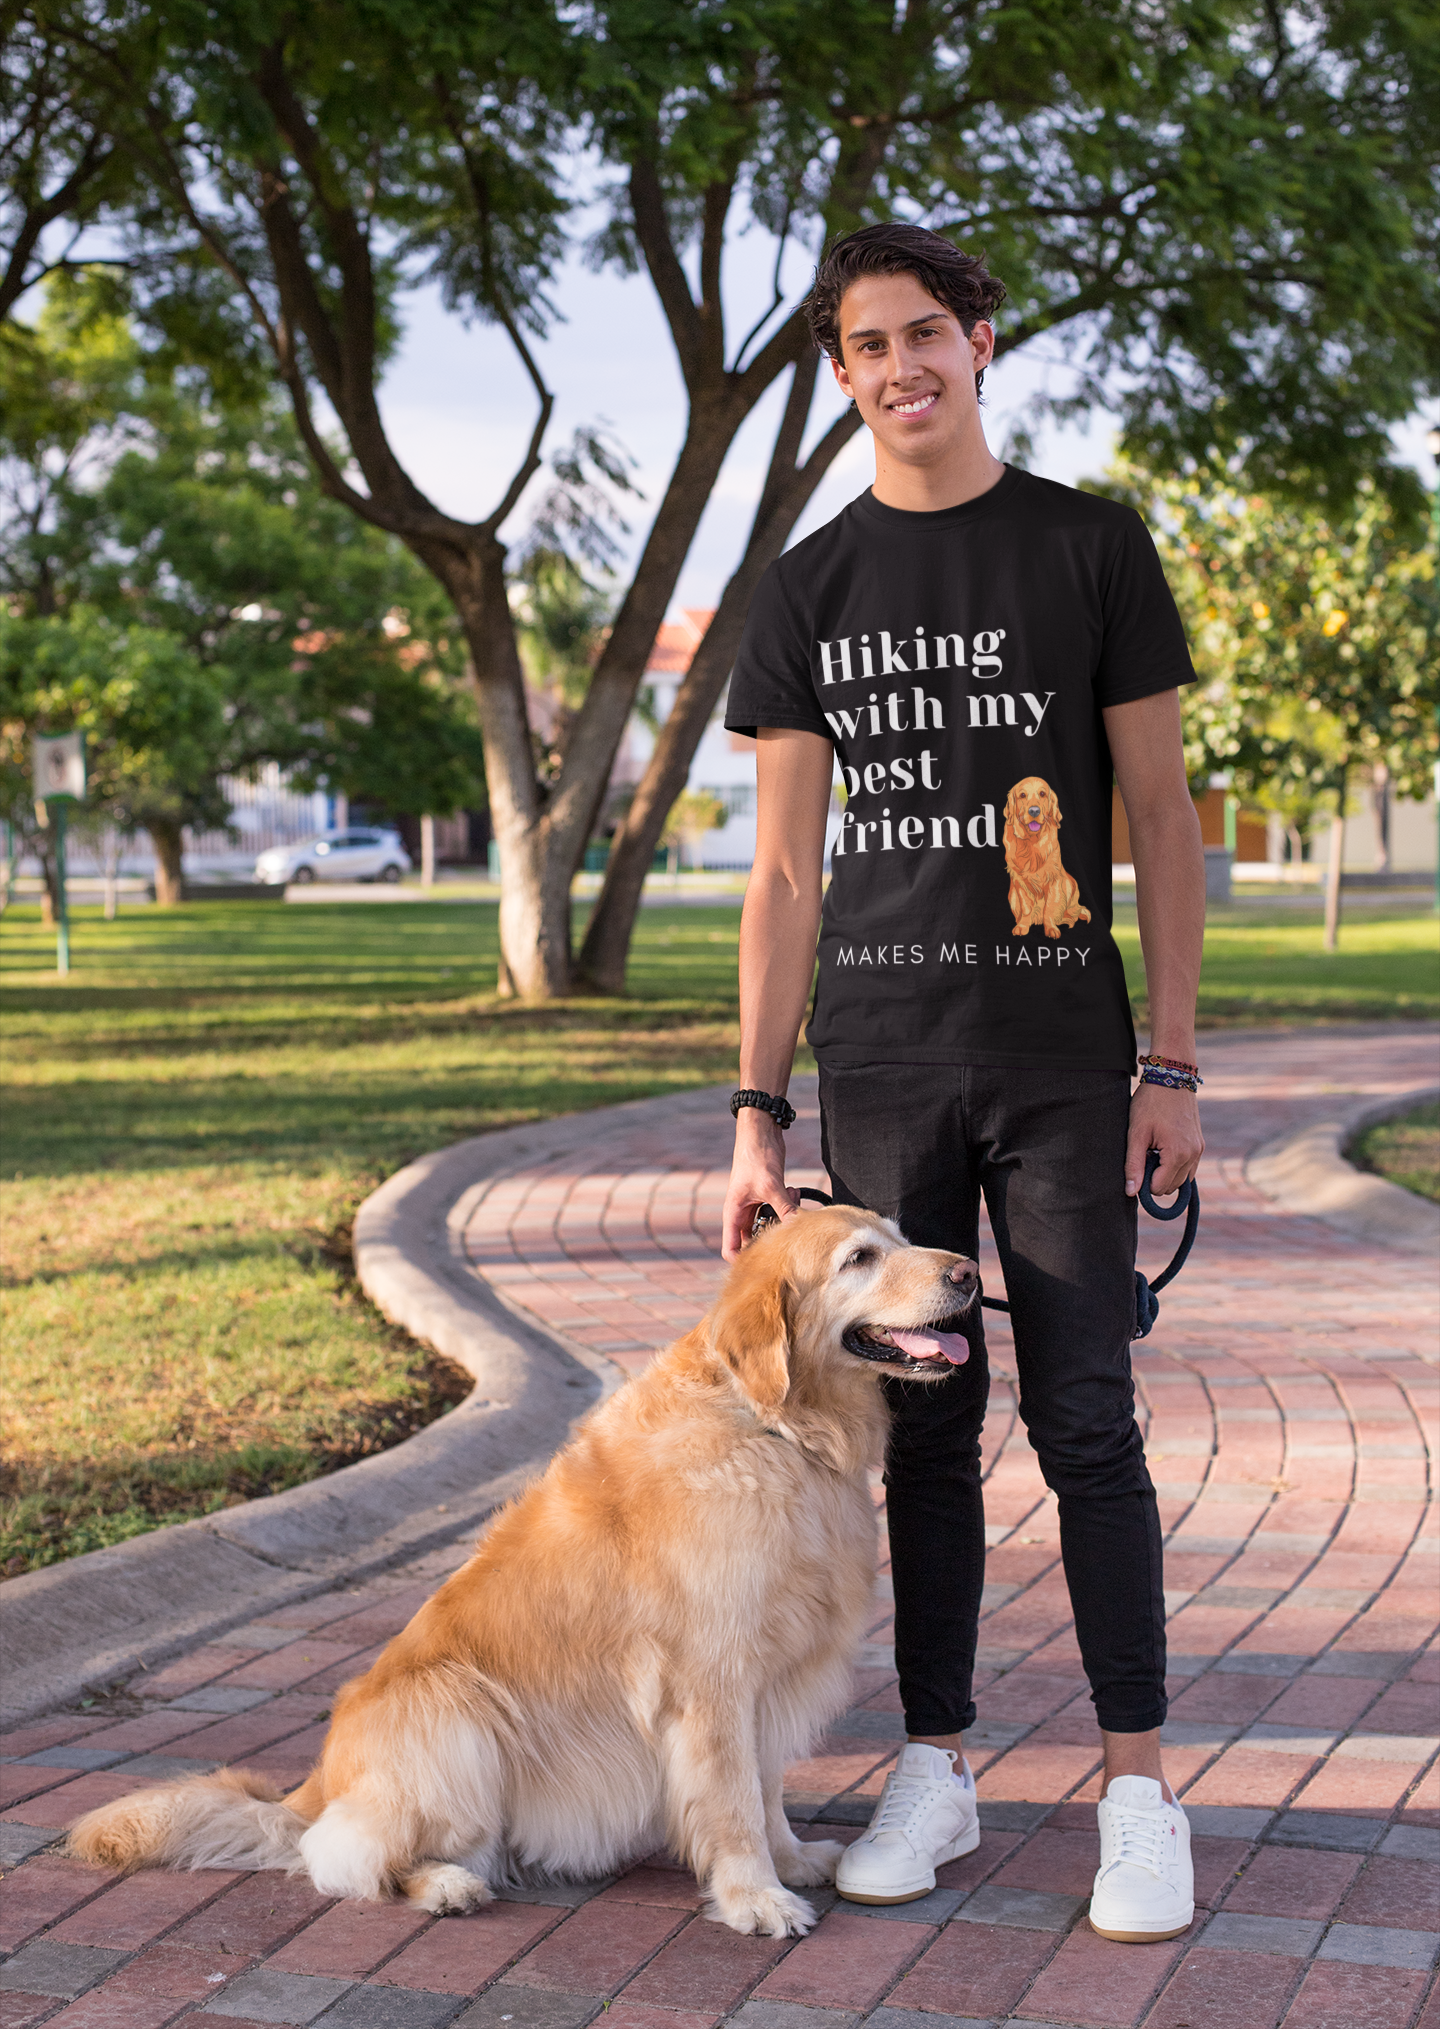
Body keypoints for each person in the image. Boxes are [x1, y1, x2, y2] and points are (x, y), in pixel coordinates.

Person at [720, 221, 1205, 1942]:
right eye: (866, 346)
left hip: (1071, 1067)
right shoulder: (806, 585)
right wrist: (758, 1109)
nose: (899, 368)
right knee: (924, 1442)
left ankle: (1139, 1793)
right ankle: (939, 1760)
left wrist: (1172, 1061)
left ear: (979, 341)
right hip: (887, 1061)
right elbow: (782, 877)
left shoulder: (1088, 546)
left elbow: (1157, 819)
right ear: (841, 372)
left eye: (924, 333)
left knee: (1089, 1426)